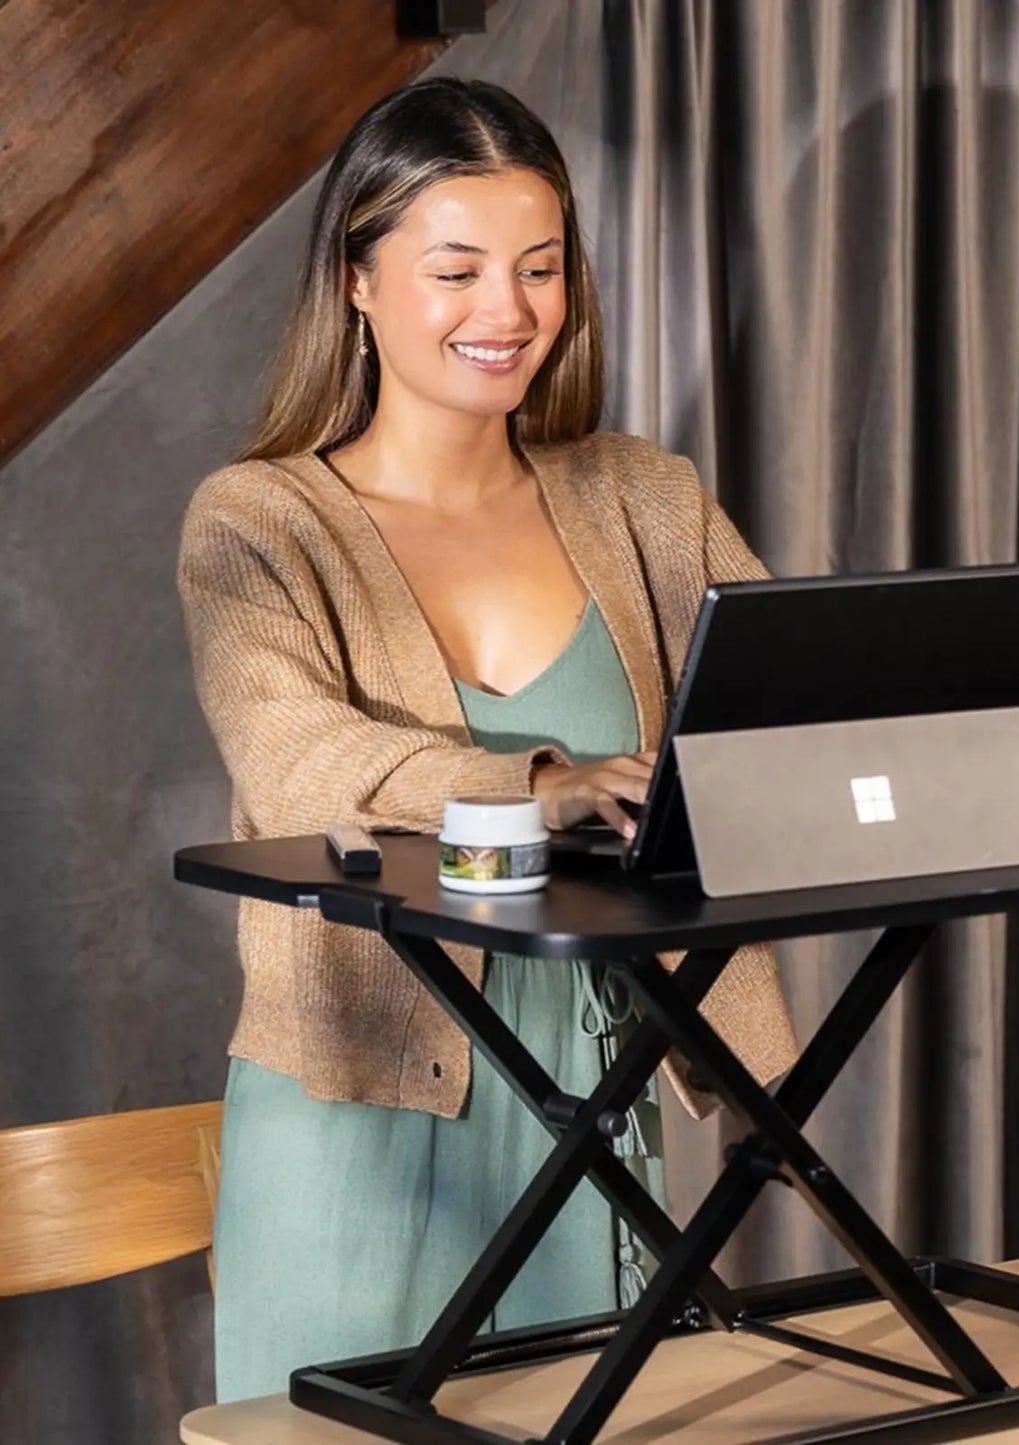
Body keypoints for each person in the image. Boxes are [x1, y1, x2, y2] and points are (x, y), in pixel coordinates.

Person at [177, 77, 798, 1403]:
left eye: (538, 267)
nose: (506, 312)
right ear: (356, 280)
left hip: (592, 1084)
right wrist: (539, 783)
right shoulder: (258, 521)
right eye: (456, 270)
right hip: (359, 1128)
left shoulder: (644, 498)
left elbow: (780, 702)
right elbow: (295, 760)